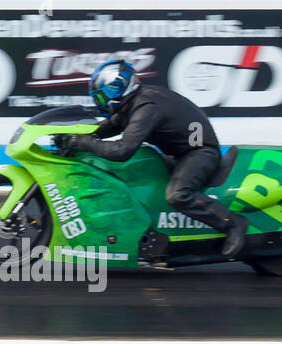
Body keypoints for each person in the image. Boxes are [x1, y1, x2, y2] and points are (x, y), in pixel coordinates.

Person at [57, 60, 246, 258]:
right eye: (99, 96)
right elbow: (109, 126)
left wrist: (84, 143)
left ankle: (232, 224)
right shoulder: (133, 103)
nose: (102, 100)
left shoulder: (146, 107)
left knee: (178, 195)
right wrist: (72, 136)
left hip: (199, 152)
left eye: (105, 94)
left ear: (121, 87)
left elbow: (123, 150)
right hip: (179, 151)